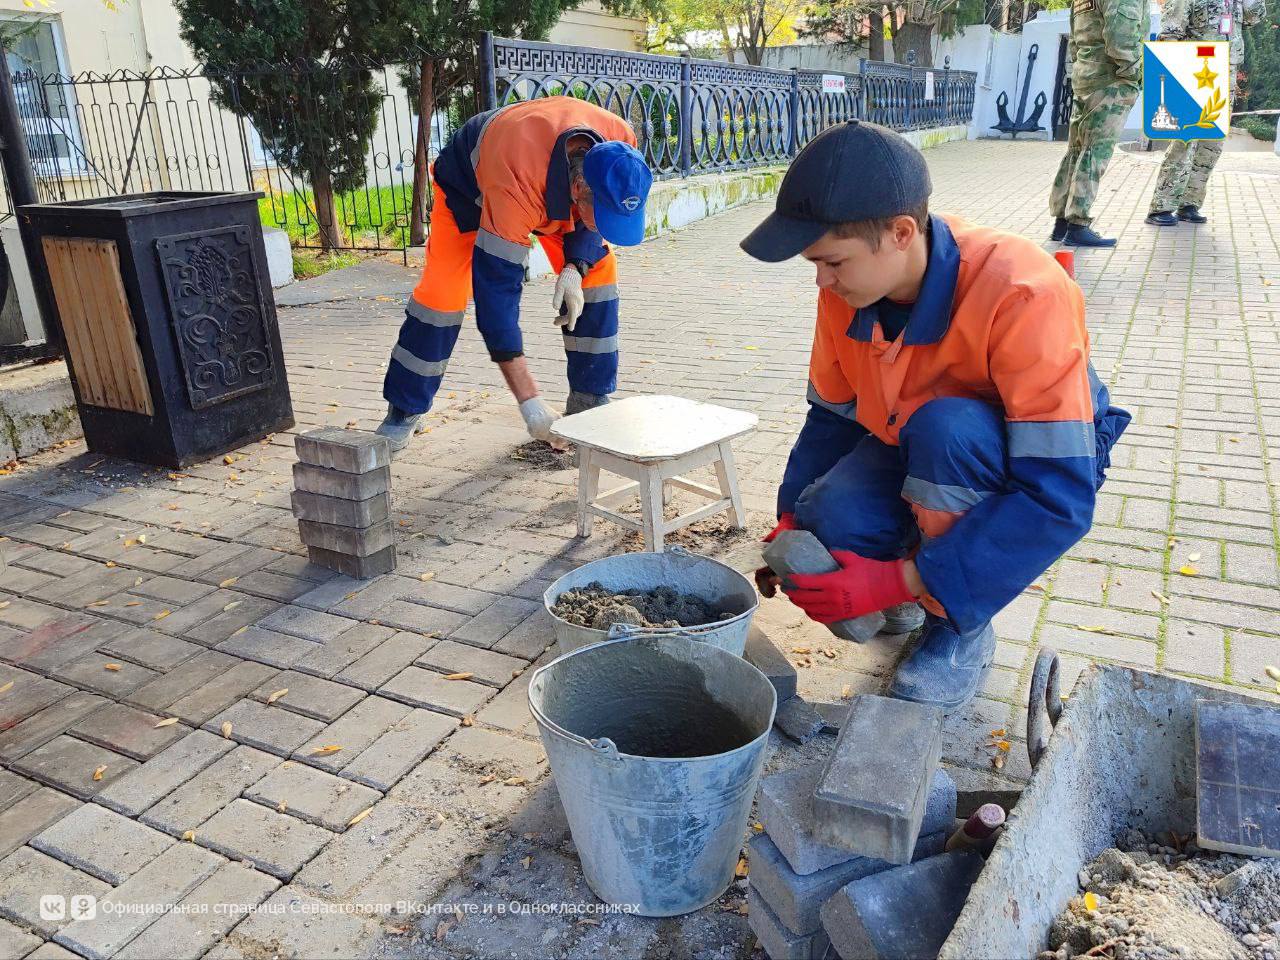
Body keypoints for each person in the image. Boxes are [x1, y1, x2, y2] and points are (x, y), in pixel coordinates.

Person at [745, 121, 1131, 711]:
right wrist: (790, 524)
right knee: (829, 509)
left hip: (1029, 457)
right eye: (814, 264)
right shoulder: (844, 292)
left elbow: (1058, 496)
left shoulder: (1023, 291)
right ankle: (921, 585)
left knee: (946, 430)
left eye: (833, 262)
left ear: (901, 233)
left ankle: (957, 625)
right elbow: (829, 421)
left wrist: (893, 580)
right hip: (914, 432)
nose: (821, 279)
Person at [376, 97, 653, 452]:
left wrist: (574, 266)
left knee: (598, 276)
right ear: (578, 189)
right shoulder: (515, 180)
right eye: (602, 217)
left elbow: (594, 219)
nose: (606, 227)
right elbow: (496, 296)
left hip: (549, 180)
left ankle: (589, 400)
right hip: (470, 193)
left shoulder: (620, 145)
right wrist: (529, 402)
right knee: (441, 298)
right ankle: (404, 408)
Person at [1146, 0, 1262, 226]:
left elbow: (1254, 17)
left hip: (1226, 73)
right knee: (1184, 140)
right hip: (1194, 71)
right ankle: (1161, 206)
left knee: (1212, 143)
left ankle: (1189, 204)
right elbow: (1170, 34)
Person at [1048, 0, 1149, 247]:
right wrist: (1135, 73)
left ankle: (1061, 223)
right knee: (1095, 152)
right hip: (1110, 81)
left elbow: (1074, 39)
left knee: (1077, 150)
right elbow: (1120, 36)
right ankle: (1077, 224)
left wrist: (1084, 67)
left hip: (1086, 76)